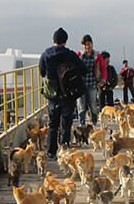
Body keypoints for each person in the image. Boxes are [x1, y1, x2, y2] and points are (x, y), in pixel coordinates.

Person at [39, 27, 86, 159]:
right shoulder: (70, 55)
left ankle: (51, 152)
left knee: (53, 124)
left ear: (53, 40)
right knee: (66, 123)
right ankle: (64, 150)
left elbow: (42, 72)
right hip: (68, 93)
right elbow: (83, 70)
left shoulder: (45, 54)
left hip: (52, 94)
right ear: (65, 41)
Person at [76, 34, 106, 125]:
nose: (87, 46)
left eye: (89, 44)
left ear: (92, 44)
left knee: (92, 104)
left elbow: (103, 69)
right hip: (81, 84)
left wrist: (103, 80)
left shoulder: (97, 55)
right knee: (81, 105)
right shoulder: (79, 55)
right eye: (85, 45)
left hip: (92, 83)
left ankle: (94, 122)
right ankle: (82, 123)